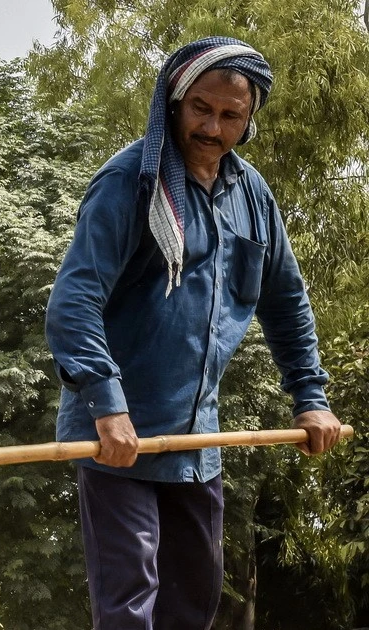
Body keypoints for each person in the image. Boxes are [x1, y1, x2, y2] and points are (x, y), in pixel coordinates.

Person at [45, 36, 344, 628]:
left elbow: (286, 303)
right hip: (118, 443)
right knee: (131, 604)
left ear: (249, 118)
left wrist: (311, 400)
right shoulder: (129, 183)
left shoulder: (252, 196)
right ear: (175, 104)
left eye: (231, 115)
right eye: (200, 109)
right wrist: (108, 406)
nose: (213, 127)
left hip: (197, 445)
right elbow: (72, 303)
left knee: (194, 602)